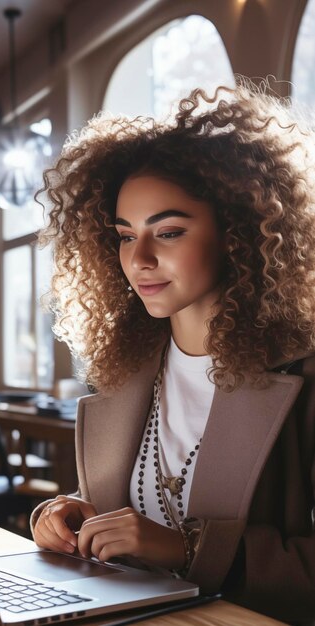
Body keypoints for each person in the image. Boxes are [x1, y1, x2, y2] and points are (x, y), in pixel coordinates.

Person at [30, 78, 315, 624]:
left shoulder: (303, 375)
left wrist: (187, 552)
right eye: (123, 233)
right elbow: (144, 504)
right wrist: (69, 516)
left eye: (169, 233)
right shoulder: (126, 369)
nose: (138, 258)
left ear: (239, 233)